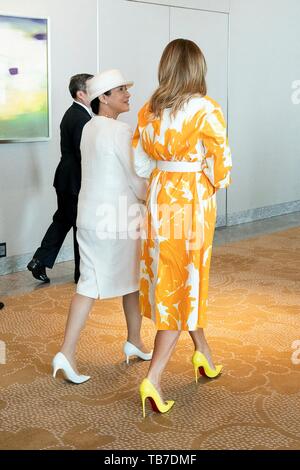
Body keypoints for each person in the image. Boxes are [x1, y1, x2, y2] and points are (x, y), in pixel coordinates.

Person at [133, 39, 232, 417]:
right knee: (184, 284)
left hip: (159, 199)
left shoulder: (148, 110)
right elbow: (222, 169)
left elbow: (141, 166)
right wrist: (204, 176)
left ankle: (203, 353)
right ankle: (154, 378)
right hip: (192, 199)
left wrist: (165, 169)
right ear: (197, 69)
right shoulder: (207, 110)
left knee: (171, 277)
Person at [52, 69, 152, 384]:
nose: (127, 94)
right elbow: (137, 181)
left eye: (126, 88)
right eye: (119, 89)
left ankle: (134, 340)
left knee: (125, 279)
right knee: (93, 285)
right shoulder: (119, 132)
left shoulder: (91, 128)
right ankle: (67, 352)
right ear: (103, 98)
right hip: (117, 221)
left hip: (94, 216)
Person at [27, 74, 93, 284]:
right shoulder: (81, 117)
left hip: (64, 178)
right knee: (79, 225)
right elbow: (83, 152)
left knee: (63, 219)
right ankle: (81, 274)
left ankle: (39, 260)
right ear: (80, 93)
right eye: (92, 89)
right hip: (74, 180)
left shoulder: (72, 113)